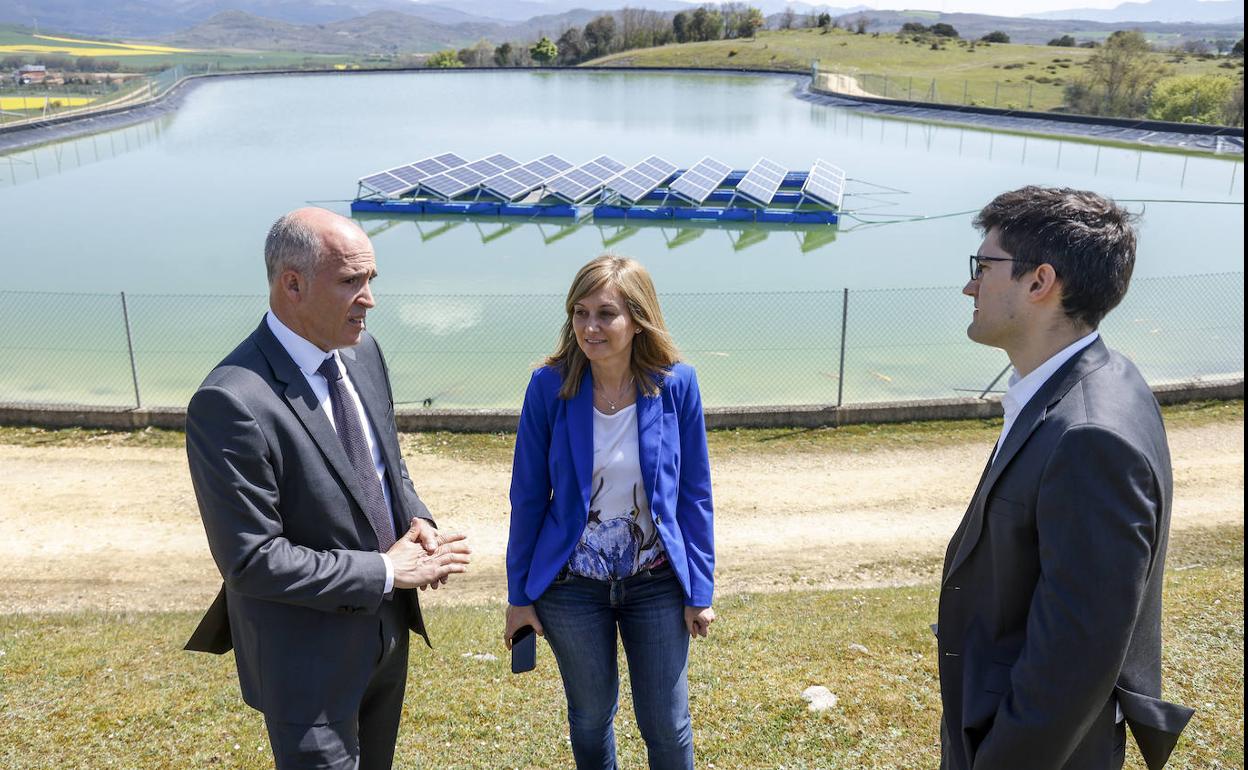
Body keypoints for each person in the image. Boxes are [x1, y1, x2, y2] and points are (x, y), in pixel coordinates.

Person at [183, 207, 471, 770]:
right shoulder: (230, 402)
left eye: (371, 280)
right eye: (350, 281)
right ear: (292, 284)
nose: (369, 299)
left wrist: (418, 522)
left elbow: (389, 469)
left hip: (387, 640)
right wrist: (389, 571)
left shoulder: (363, 353)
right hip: (305, 664)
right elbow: (252, 560)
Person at [937, 187, 1194, 770]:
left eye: (983, 267)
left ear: (1039, 282)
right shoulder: (1106, 377)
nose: (970, 286)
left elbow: (1076, 659)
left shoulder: (1088, 435)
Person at [504, 254, 716, 769]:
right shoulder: (548, 387)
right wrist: (518, 595)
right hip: (571, 587)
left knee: (666, 723)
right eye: (580, 313)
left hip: (658, 581)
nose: (589, 327)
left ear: (638, 319)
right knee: (591, 716)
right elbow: (528, 496)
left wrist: (700, 589)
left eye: (605, 314)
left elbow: (694, 494)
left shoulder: (677, 384)